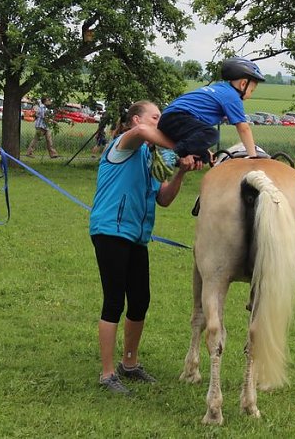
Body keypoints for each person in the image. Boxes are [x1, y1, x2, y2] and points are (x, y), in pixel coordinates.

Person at [89, 100, 203, 395]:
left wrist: (181, 172)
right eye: (155, 117)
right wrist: (182, 147)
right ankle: (107, 374)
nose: (159, 122)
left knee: (140, 301)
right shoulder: (124, 143)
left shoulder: (151, 158)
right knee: (114, 302)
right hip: (111, 231)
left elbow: (163, 199)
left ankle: (129, 364)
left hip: (137, 237)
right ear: (136, 120)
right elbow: (143, 134)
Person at [158, 57, 265, 164]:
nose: (250, 95)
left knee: (205, 156)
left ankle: (173, 161)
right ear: (243, 84)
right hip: (178, 117)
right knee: (212, 134)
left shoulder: (220, 88)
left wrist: (203, 149)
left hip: (170, 118)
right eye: (252, 90)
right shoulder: (232, 96)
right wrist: (253, 157)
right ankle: (170, 155)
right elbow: (244, 129)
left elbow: (197, 131)